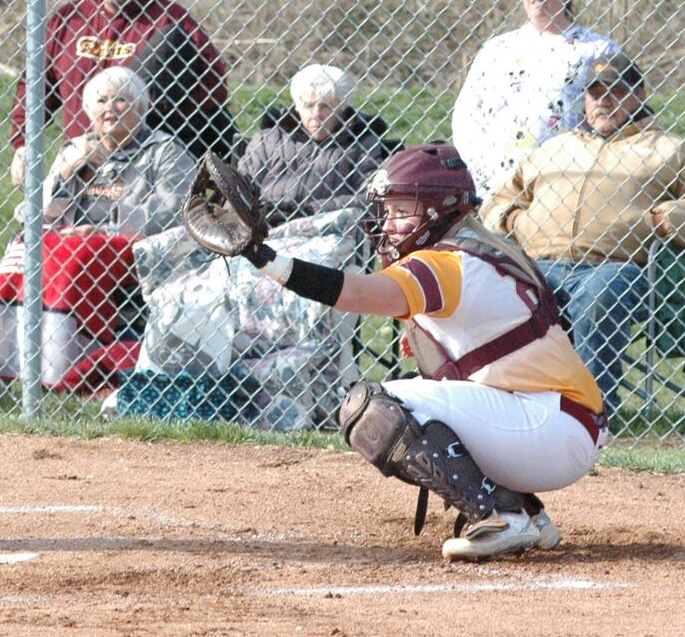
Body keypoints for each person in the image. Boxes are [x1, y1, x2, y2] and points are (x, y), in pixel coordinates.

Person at [221, 144, 605, 561]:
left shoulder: (449, 262)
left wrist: (264, 258)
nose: (389, 224)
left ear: (440, 209)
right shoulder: (479, 248)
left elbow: (356, 293)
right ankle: (526, 514)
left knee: (370, 406)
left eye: (402, 211)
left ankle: (501, 514)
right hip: (561, 425)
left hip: (549, 428)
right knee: (416, 388)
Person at [481, 54, 685, 417]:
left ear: (640, 94)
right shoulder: (555, 148)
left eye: (616, 91)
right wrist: (515, 218)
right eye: (595, 93)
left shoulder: (668, 149)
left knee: (600, 297)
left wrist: (665, 220)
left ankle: (589, 413)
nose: (604, 101)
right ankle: (506, 405)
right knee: (499, 289)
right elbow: (499, 198)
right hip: (541, 264)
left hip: (619, 267)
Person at [0, 66, 198, 388]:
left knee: (78, 252)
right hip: (69, 241)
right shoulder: (76, 148)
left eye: (121, 100)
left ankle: (60, 365)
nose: (110, 108)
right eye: (101, 101)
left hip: (131, 246)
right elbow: (36, 216)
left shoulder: (164, 151)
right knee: (23, 247)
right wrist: (66, 173)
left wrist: (107, 228)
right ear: (89, 111)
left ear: (141, 108)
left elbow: (174, 212)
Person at [9, 0, 234, 181]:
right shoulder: (69, 20)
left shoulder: (170, 21)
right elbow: (35, 87)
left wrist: (154, 116)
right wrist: (23, 144)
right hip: (80, 166)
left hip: (140, 169)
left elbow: (214, 87)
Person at [449, 0, 621, 195]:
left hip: (567, 184)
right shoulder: (496, 49)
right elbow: (466, 116)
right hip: (497, 186)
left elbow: (618, 114)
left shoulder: (597, 49)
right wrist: (480, 171)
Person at [236, 63, 397, 225]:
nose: (316, 114)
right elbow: (239, 187)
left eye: (326, 106)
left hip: (327, 231)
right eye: (308, 105)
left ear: (341, 107)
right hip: (261, 227)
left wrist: (307, 211)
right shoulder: (269, 139)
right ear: (297, 107)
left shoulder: (362, 142)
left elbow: (371, 198)